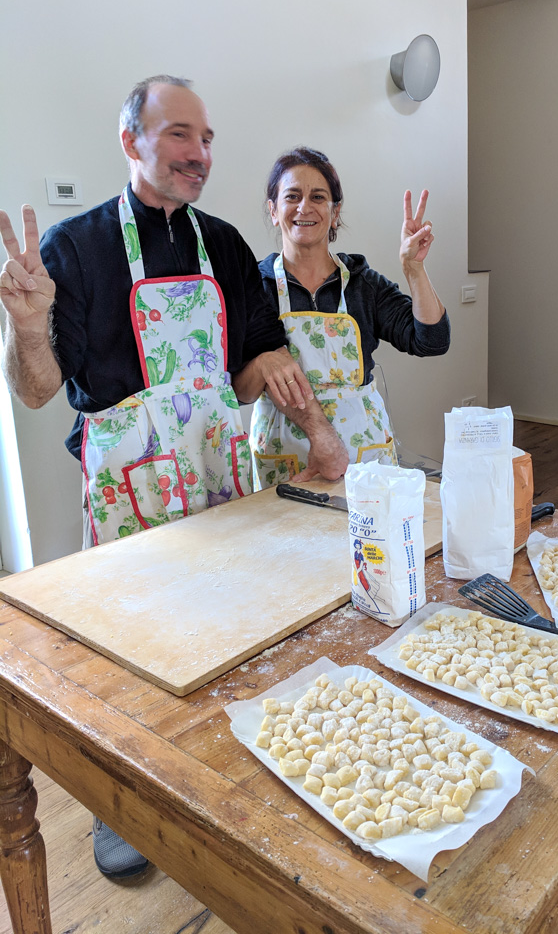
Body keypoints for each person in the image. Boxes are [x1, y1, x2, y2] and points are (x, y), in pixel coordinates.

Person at [0, 76, 347, 878]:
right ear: (131, 141)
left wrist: (316, 427)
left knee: (226, 628)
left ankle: (219, 770)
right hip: (129, 489)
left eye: (207, 138)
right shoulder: (75, 248)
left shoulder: (224, 245)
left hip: (216, 474)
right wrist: (27, 328)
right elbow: (38, 390)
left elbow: (257, 365)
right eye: (180, 134)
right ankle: (119, 799)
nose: (200, 154)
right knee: (131, 647)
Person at [247, 146, 450, 488]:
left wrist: (413, 268)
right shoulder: (255, 287)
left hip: (363, 453)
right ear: (273, 210)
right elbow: (241, 384)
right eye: (292, 196)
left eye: (318, 197)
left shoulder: (362, 284)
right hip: (284, 457)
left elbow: (432, 341)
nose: (304, 207)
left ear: (335, 211)